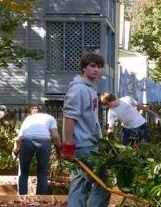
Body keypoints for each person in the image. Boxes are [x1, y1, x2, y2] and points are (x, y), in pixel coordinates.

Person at [61, 53, 111, 207]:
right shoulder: (79, 90)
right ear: (84, 67)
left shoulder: (89, 88)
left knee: (80, 185)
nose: (96, 70)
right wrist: (68, 147)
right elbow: (69, 118)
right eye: (92, 66)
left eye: (99, 66)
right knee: (104, 184)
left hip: (88, 144)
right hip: (83, 146)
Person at [12, 105, 61, 195]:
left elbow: (18, 139)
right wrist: (59, 147)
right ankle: (41, 199)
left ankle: (22, 198)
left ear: (29, 113)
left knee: (23, 172)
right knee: (42, 172)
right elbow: (55, 136)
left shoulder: (28, 119)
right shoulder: (50, 118)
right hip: (43, 142)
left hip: (26, 142)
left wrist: (15, 150)